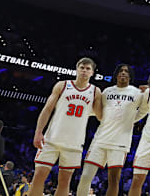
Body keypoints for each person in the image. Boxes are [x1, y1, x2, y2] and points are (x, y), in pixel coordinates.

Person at [29, 58, 102, 196]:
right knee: (38, 176)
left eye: (88, 69)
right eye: (82, 67)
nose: (84, 71)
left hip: (74, 144)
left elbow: (100, 116)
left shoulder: (95, 92)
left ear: (92, 73)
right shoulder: (62, 85)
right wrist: (38, 132)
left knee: (64, 181)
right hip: (51, 139)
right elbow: (47, 109)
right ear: (76, 69)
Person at [77, 65, 144, 196]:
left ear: (130, 76)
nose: (123, 73)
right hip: (100, 140)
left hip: (120, 143)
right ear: (116, 75)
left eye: (126, 71)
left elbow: (145, 110)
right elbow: (97, 111)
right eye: (120, 71)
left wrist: (132, 119)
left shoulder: (136, 93)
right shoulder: (107, 91)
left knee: (113, 181)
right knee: (85, 177)